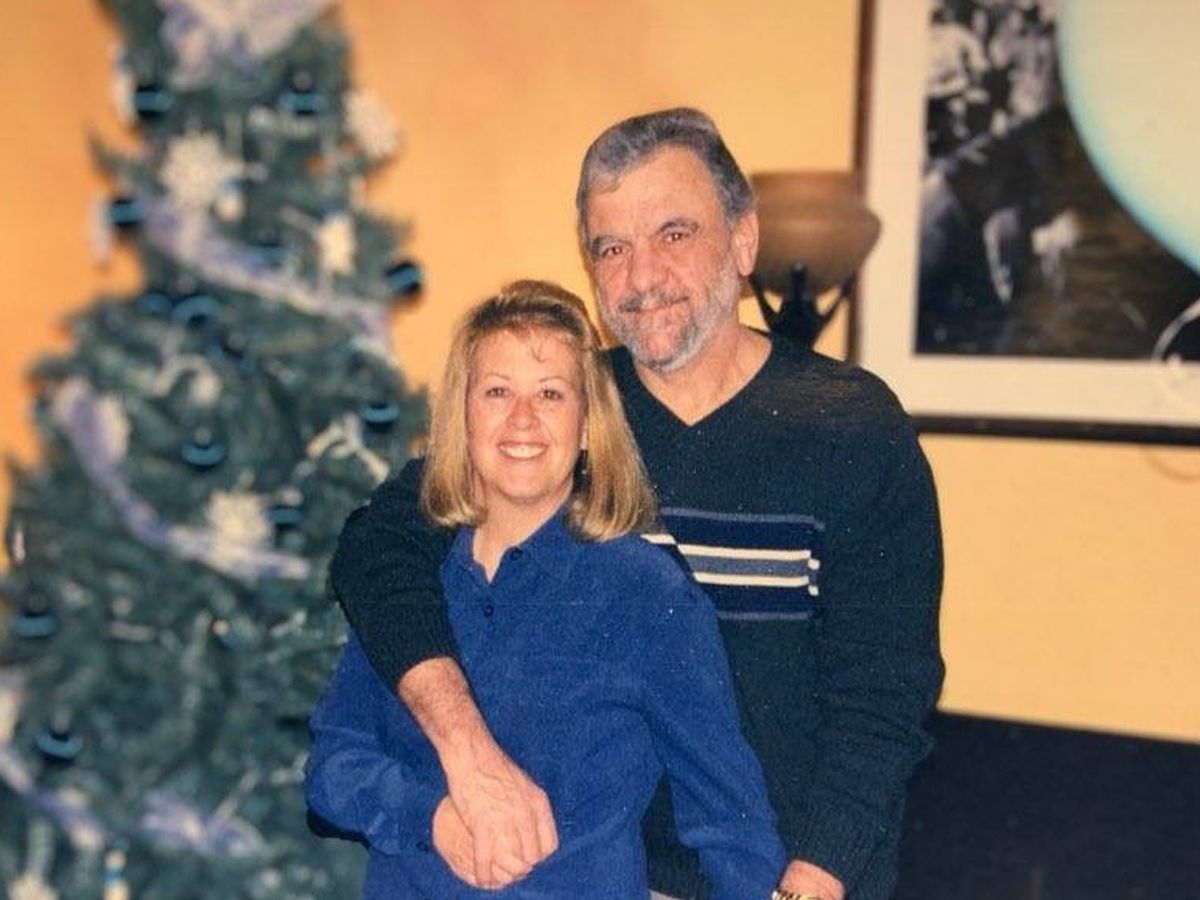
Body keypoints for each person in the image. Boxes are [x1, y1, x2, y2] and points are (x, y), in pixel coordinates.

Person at [331, 109, 944, 900]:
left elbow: (885, 695)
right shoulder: (559, 420)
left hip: (784, 877)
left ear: (745, 242)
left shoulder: (851, 428)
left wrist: (808, 881)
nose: (641, 275)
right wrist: (466, 751)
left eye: (673, 233)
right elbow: (377, 544)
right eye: (611, 247)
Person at [306, 281, 787, 899]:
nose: (523, 419)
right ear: (463, 418)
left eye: (551, 394)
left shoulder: (646, 594)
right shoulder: (410, 587)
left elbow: (731, 824)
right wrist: (432, 817)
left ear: (587, 426)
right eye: (497, 392)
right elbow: (331, 768)